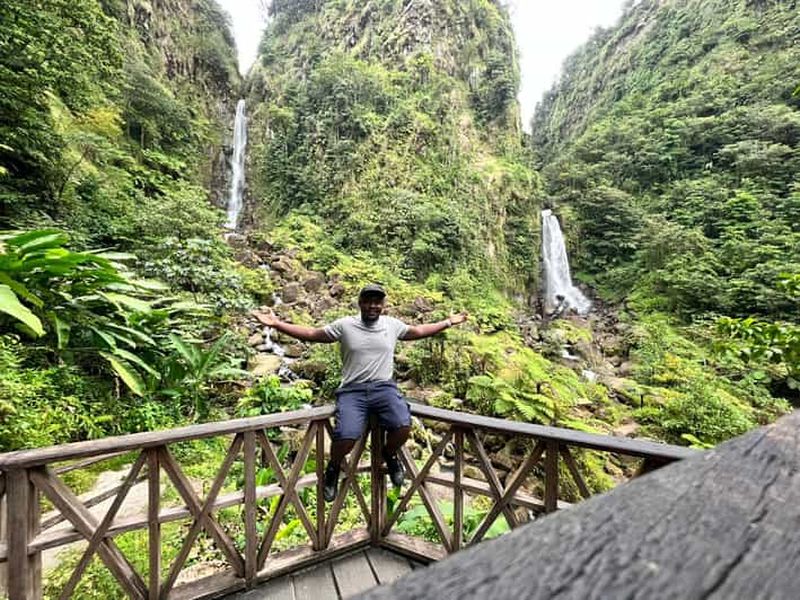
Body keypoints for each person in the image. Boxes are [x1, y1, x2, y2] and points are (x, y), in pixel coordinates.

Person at [252, 283, 468, 501]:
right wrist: (276, 323)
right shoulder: (345, 325)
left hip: (384, 387)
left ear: (383, 305)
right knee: (346, 436)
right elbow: (312, 333)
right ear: (360, 303)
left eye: (377, 302)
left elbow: (418, 331)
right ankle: (333, 468)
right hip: (352, 390)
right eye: (368, 301)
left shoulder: (391, 325)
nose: (373, 306)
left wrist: (448, 322)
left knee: (403, 426)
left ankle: (389, 454)